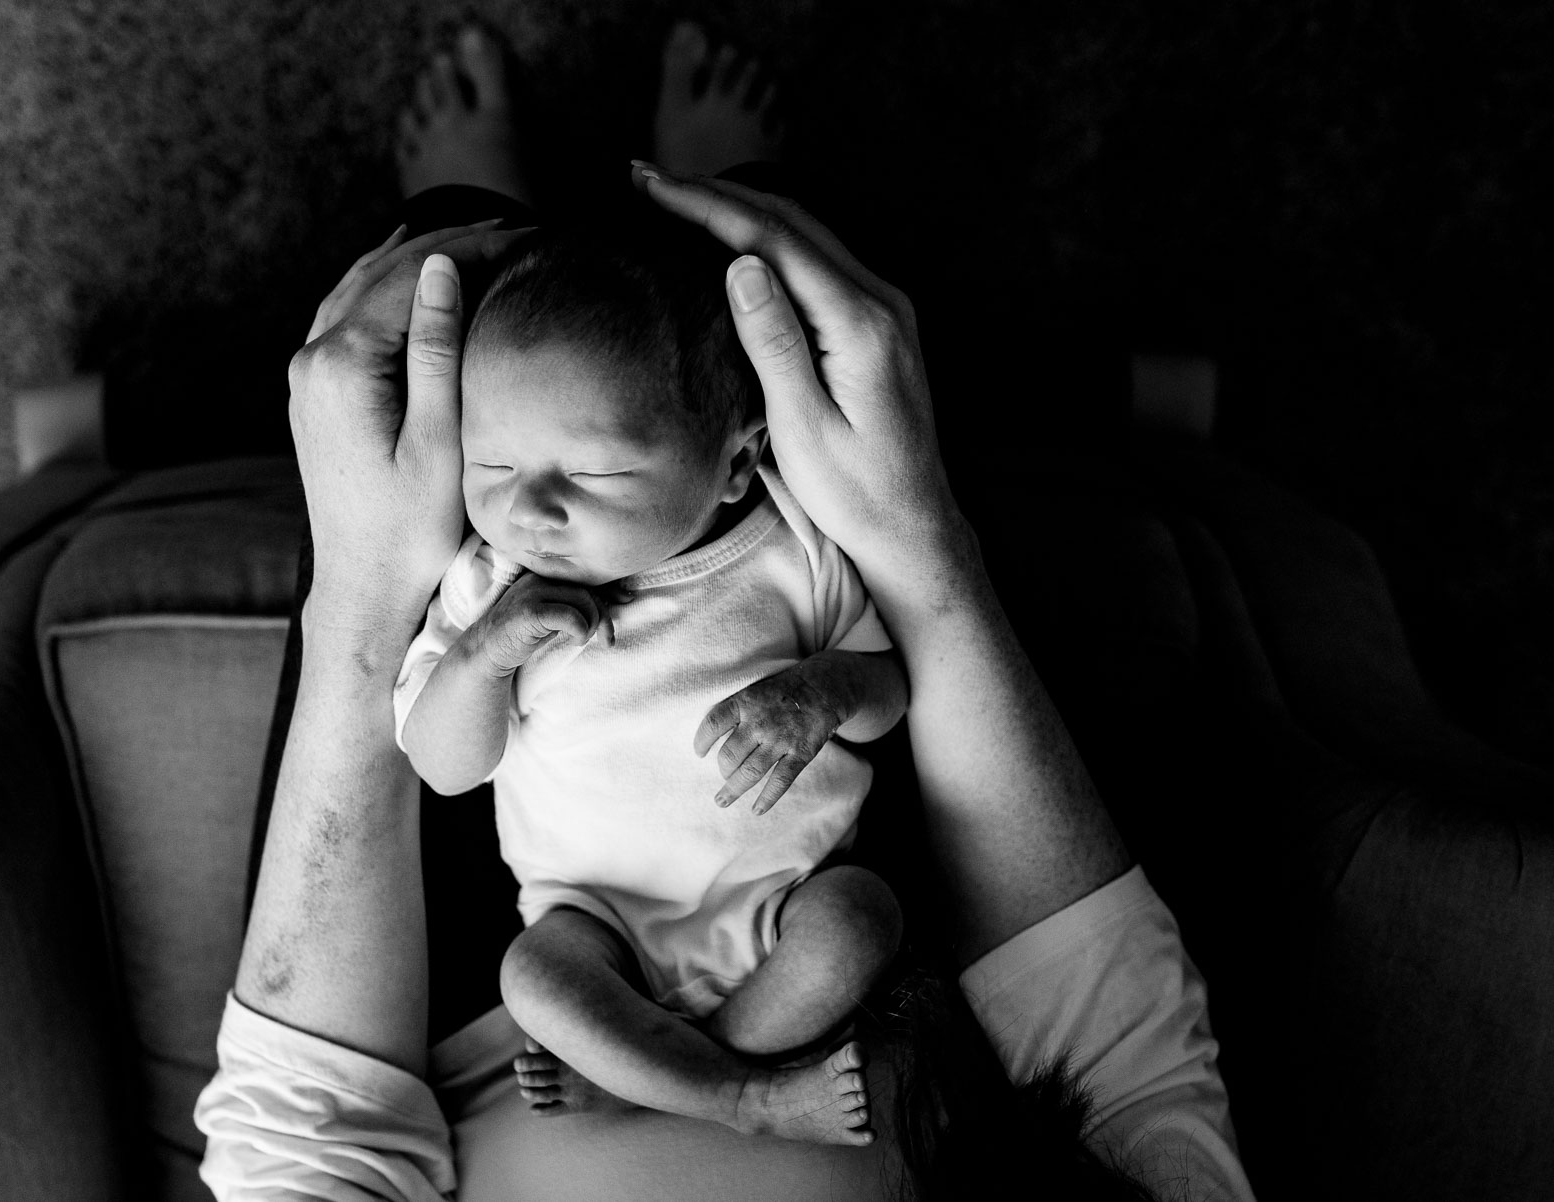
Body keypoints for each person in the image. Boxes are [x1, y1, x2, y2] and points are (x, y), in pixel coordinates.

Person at [195, 20, 1256, 1201]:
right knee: (781, 337)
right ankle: (712, 199)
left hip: (523, 1023)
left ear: (737, 477)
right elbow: (1129, 1075)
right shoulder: (666, 546)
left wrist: (362, 603)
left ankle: (474, 209)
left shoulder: (717, 543)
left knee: (434, 378)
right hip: (860, 997)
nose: (530, 515)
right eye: (517, 483)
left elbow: (300, 1141)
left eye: (572, 483)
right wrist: (917, 553)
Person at [394, 212, 909, 1146]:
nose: (529, 506)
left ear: (737, 461)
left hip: (787, 895)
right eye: (492, 463)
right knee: (533, 980)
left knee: (862, 921)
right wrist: (483, 655)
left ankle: (656, 1075)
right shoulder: (492, 585)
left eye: (594, 471)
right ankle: (739, 1098)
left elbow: (888, 698)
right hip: (595, 921)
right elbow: (441, 765)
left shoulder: (793, 545)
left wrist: (826, 691)